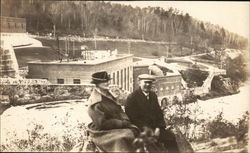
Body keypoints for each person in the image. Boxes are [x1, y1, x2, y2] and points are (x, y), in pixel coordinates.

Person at [125, 74, 180, 153]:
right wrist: (150, 131)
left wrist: (158, 127)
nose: (148, 85)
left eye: (150, 83)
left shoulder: (153, 95)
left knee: (171, 137)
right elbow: (133, 118)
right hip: (141, 130)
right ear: (139, 83)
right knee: (151, 147)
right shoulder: (132, 98)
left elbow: (159, 113)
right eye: (145, 82)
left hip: (156, 129)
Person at [87, 71, 138, 152]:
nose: (107, 83)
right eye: (104, 82)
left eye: (107, 81)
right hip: (102, 131)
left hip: (114, 126)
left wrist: (125, 119)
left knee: (135, 130)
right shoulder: (95, 101)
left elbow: (119, 109)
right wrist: (121, 123)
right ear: (97, 84)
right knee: (122, 138)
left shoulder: (108, 94)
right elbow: (102, 123)